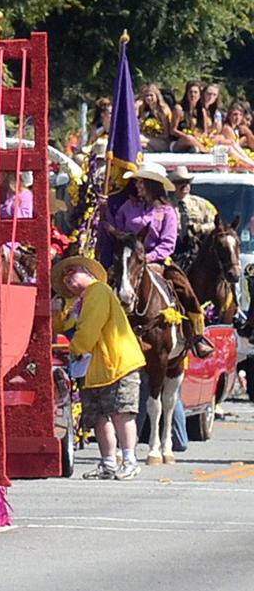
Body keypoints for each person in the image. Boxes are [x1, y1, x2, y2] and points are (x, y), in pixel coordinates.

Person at [107, 162, 212, 357]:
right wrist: (104, 209)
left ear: (152, 184)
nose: (138, 185)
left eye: (141, 182)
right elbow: (118, 231)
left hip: (157, 261)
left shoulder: (167, 212)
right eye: (137, 182)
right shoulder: (129, 206)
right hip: (128, 259)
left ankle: (196, 335)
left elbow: (168, 244)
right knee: (105, 283)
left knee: (185, 290)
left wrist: (148, 257)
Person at [54, 255, 146, 480]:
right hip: (95, 369)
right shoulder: (78, 303)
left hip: (117, 363)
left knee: (121, 413)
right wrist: (55, 311)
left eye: (72, 273)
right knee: (99, 417)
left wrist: (74, 348)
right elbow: (61, 327)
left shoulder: (98, 291)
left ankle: (130, 460)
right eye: (64, 279)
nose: (68, 280)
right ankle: (108, 463)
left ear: (88, 272)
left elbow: (88, 330)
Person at [168, 166, 218, 269]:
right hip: (173, 251)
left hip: (198, 253)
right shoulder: (166, 206)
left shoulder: (202, 204)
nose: (184, 185)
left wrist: (199, 228)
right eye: (180, 182)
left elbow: (216, 224)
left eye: (187, 182)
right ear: (172, 185)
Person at [171, 81, 210, 153]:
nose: (193, 95)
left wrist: (199, 137)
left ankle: (196, 147)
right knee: (188, 138)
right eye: (190, 92)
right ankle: (206, 151)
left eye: (195, 92)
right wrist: (187, 136)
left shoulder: (202, 111)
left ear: (199, 95)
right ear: (186, 94)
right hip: (178, 142)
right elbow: (173, 130)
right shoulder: (179, 109)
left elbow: (205, 132)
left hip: (196, 141)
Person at [135, 83, 173, 152]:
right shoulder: (144, 110)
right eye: (147, 96)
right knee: (138, 143)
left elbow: (166, 135)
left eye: (151, 95)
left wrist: (149, 137)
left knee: (138, 139)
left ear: (157, 96)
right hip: (148, 141)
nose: (149, 98)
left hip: (163, 142)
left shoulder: (162, 110)